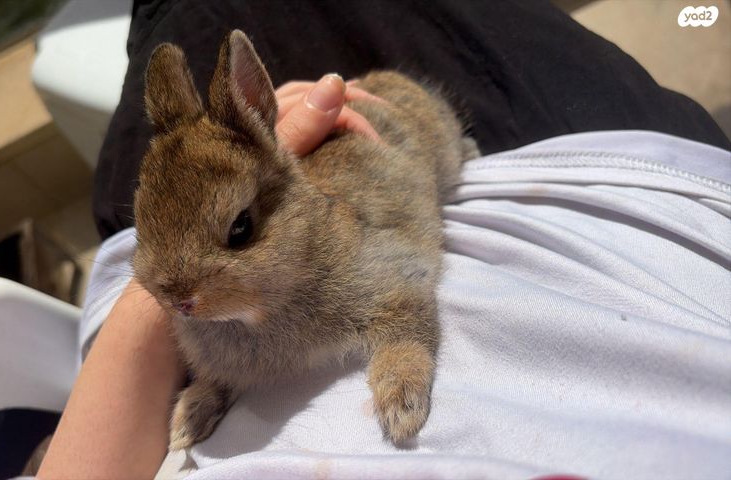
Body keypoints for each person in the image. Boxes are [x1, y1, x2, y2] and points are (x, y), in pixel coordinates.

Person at [39, 1, 731, 478]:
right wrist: (209, 377)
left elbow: (401, 292)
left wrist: (401, 353)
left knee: (185, 17)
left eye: (241, 233)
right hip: (621, 194)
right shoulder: (187, 290)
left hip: (407, 140)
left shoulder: (330, 269)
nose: (173, 297)